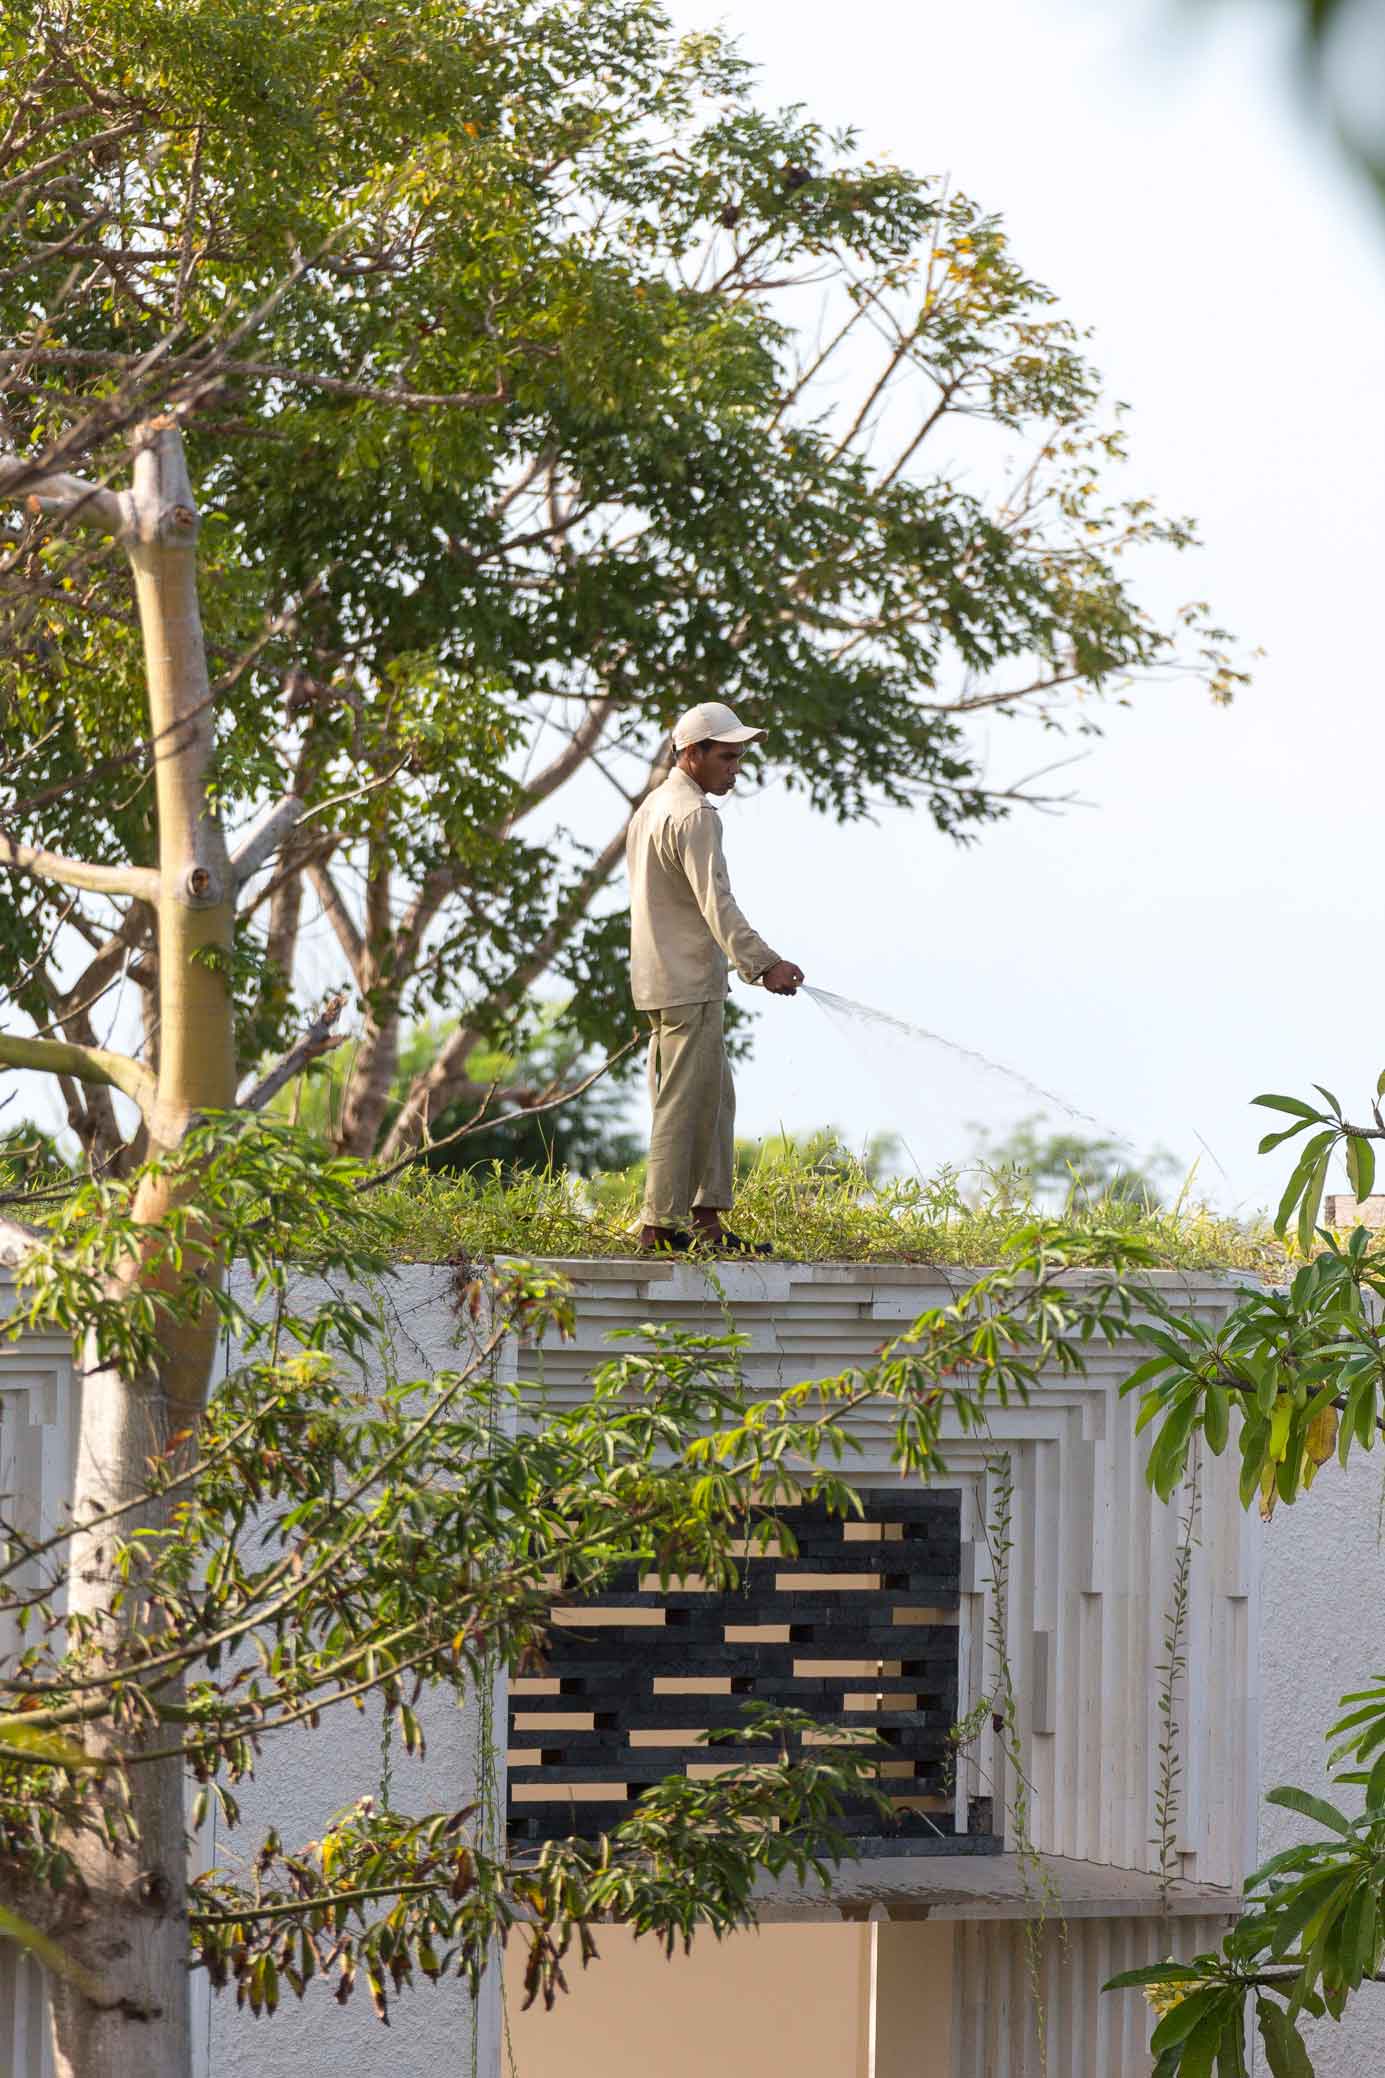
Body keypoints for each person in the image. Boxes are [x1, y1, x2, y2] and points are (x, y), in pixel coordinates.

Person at [626, 701, 804, 1253]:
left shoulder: (652, 808)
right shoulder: (694, 816)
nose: (735, 768)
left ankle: (706, 1225)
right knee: (684, 1102)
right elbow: (716, 904)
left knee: (713, 1098)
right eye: (726, 756)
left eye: (739, 757)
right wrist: (763, 963)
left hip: (661, 976)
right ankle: (659, 1226)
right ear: (691, 753)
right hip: (688, 979)